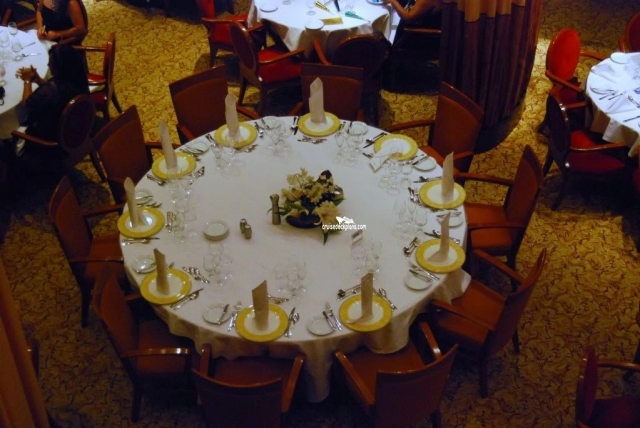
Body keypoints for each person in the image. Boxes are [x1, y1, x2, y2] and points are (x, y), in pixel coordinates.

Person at [14, 44, 89, 144]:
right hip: (78, 124)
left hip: (53, 136)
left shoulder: (50, 91)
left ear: (59, 67)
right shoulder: (77, 75)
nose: (48, 65)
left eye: (51, 63)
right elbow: (56, 92)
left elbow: (26, 105)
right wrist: (38, 80)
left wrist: (27, 80)